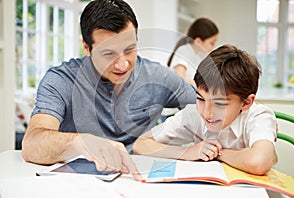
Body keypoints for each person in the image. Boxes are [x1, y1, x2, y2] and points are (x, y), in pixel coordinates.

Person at [22, 0, 196, 180]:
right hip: (81, 186)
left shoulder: (159, 76)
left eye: (129, 50)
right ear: (87, 48)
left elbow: (209, 108)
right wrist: (81, 142)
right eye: (108, 53)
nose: (122, 64)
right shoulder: (61, 80)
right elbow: (31, 145)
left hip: (143, 184)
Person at [133, 44, 278, 175]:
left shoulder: (259, 116)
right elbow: (140, 144)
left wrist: (218, 153)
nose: (207, 113)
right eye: (201, 99)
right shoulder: (194, 114)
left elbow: (259, 163)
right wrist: (189, 152)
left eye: (220, 104)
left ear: (246, 103)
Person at [167, 18, 219, 86]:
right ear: (198, 41)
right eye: (212, 43)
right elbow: (179, 79)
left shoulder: (198, 57)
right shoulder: (184, 50)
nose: (214, 46)